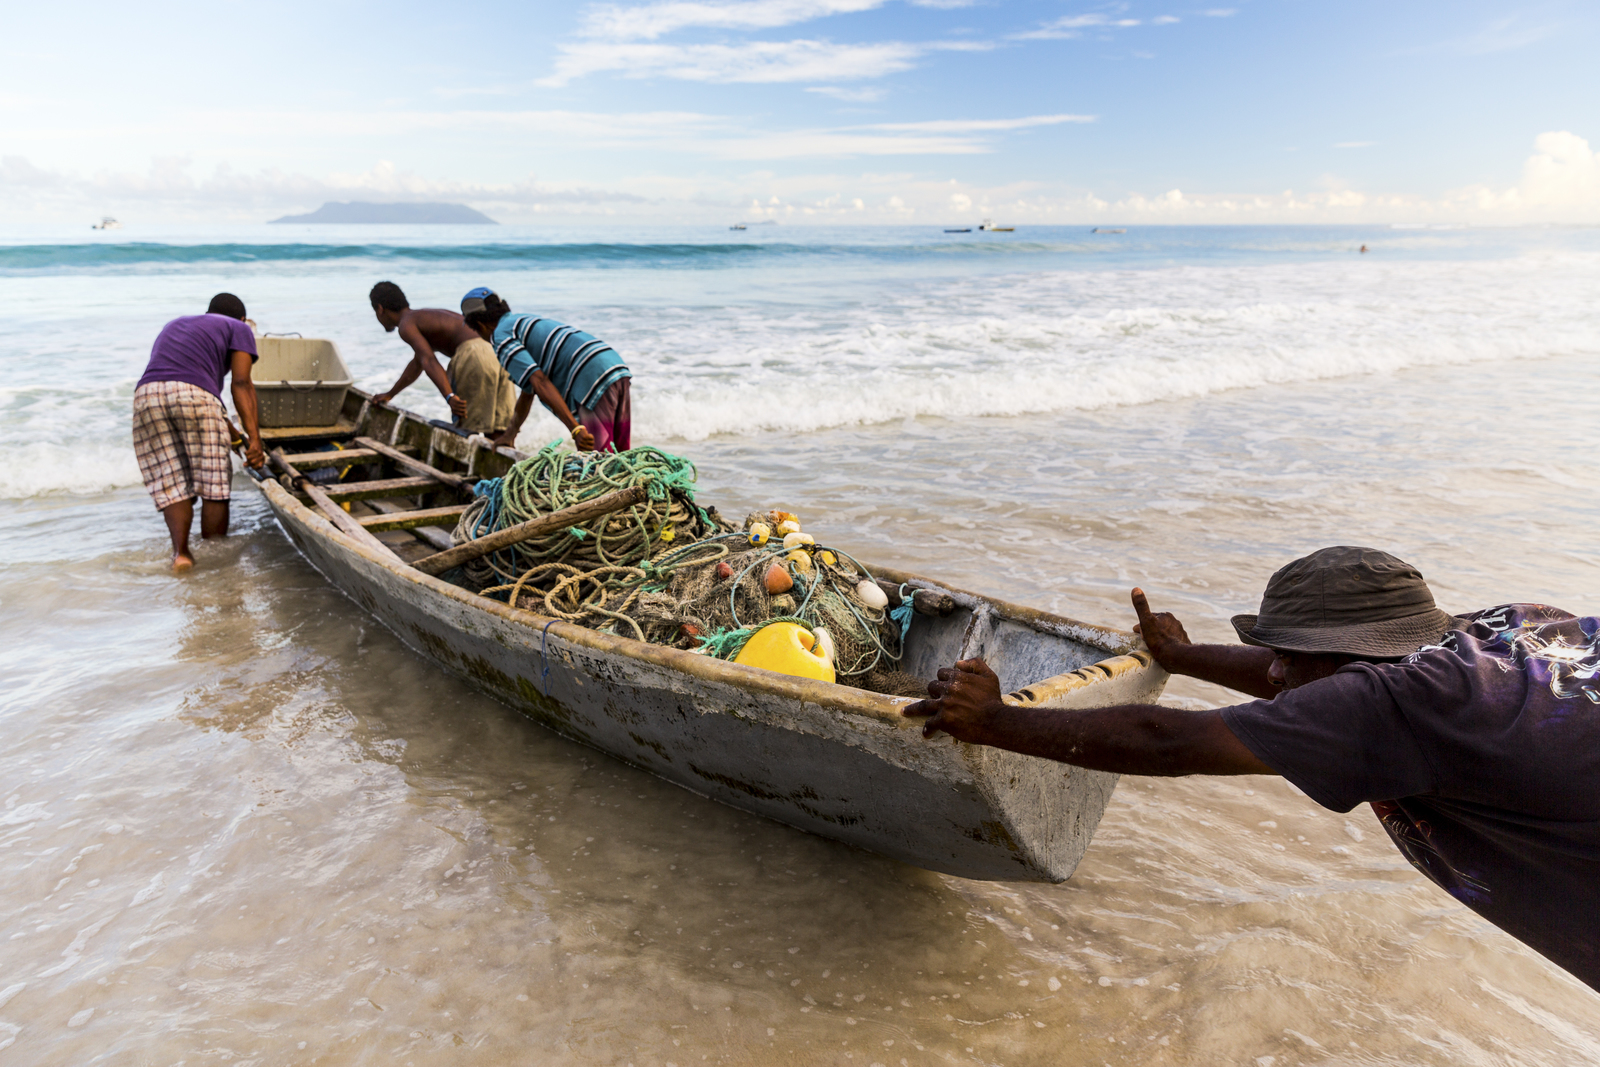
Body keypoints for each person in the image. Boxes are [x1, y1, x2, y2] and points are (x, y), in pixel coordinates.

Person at [905, 546, 1600, 992]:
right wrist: (1185, 657)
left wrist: (995, 721)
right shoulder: (1508, 626)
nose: (1271, 669)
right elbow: (1332, 695)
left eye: (1286, 654)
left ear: (1349, 660)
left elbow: (1167, 743)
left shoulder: (1397, 705)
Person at [132, 292, 267, 570]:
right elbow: (241, 384)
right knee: (214, 483)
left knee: (173, 482)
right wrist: (255, 441)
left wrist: (233, 432)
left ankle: (181, 554)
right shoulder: (240, 328)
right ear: (241, 319)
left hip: (147, 396)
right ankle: (216, 560)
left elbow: (183, 384)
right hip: (196, 397)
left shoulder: (176, 324)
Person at [459, 287, 631, 452]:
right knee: (622, 453)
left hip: (590, 373)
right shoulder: (521, 321)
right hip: (614, 365)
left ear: (481, 326)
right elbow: (528, 392)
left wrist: (576, 430)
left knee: (599, 461)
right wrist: (510, 435)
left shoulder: (500, 336)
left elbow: (539, 381)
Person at [368, 281, 515, 436]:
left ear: (380, 309)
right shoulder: (426, 316)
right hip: (496, 350)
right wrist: (391, 393)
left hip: (474, 353)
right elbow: (417, 364)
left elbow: (429, 361)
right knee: (500, 431)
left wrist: (449, 396)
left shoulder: (406, 324)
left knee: (468, 430)